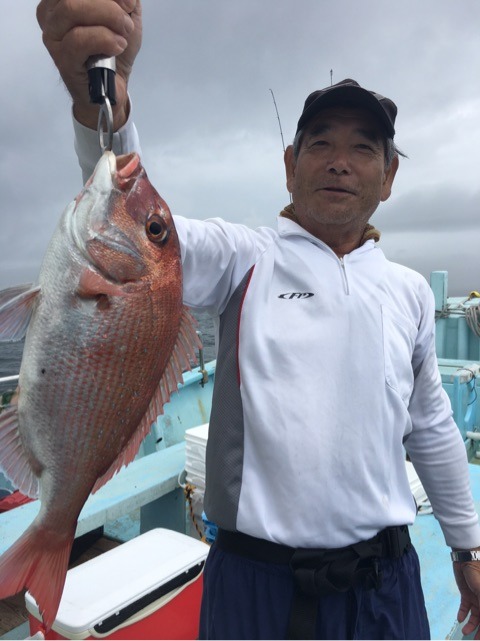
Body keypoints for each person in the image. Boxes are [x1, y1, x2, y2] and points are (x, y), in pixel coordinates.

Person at [37, 1, 480, 639]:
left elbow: (432, 425)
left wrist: (467, 547)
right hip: (256, 586)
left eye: (363, 148)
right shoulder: (243, 257)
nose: (339, 161)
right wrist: (104, 101)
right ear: (289, 164)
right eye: (320, 143)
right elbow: (133, 227)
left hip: (386, 584)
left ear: (389, 177)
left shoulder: (408, 292)